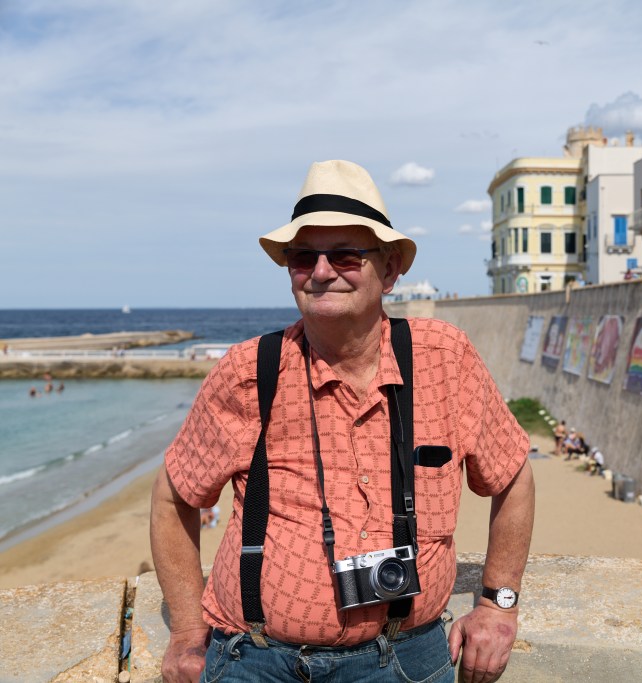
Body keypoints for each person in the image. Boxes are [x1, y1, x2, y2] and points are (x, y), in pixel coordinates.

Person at [150, 160, 535, 683]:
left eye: (346, 254)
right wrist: (187, 632)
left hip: (404, 656)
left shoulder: (444, 358)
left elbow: (511, 474)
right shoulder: (250, 371)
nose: (323, 271)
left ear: (392, 267)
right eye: (303, 257)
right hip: (257, 660)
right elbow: (174, 496)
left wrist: (497, 605)